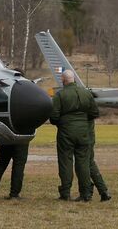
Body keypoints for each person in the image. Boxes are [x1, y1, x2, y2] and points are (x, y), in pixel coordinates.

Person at [50, 70, 99, 201]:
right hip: (83, 133)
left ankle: (65, 193)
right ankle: (85, 194)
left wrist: (64, 123)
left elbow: (53, 117)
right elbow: (95, 113)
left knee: (65, 161)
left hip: (66, 133)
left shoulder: (60, 95)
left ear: (63, 80)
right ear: (74, 79)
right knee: (83, 163)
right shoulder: (86, 93)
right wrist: (82, 120)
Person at [88, 118, 112, 202]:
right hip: (89, 134)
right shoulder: (91, 106)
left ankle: (87, 192)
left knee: (82, 163)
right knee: (89, 162)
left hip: (82, 134)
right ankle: (103, 191)